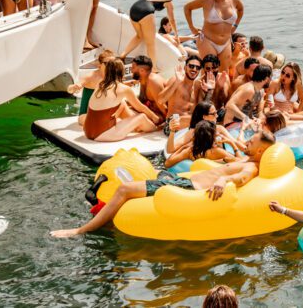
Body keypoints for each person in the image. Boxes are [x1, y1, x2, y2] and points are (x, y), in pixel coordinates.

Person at [50, 130, 276, 238]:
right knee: (157, 173)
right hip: (182, 181)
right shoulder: (246, 158)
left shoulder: (252, 166)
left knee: (124, 189)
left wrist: (224, 179)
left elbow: (243, 178)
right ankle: (106, 215)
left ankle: (80, 230)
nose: (246, 141)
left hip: (186, 190)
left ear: (260, 150)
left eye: (251, 141)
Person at [82, 58, 160, 141]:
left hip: (87, 132)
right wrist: (154, 117)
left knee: (122, 103)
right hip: (103, 134)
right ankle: (156, 129)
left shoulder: (100, 84)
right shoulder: (124, 89)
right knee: (142, 117)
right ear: (121, 72)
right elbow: (140, 107)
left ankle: (137, 127)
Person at [184, 0, 244, 74]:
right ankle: (201, 88)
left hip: (226, 42)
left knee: (223, 73)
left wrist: (235, 26)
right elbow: (187, 7)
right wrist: (192, 27)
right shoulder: (206, 0)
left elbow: (241, 10)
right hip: (208, 41)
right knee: (209, 71)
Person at [120, 0, 179, 71]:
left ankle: (122, 55)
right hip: (146, 12)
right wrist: (176, 35)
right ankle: (153, 69)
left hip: (134, 9)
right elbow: (172, 20)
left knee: (139, 36)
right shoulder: (168, 0)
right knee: (151, 43)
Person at [67, 49, 115, 126]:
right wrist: (73, 87)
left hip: (103, 113)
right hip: (86, 115)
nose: (110, 66)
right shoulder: (91, 77)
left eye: (113, 64)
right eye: (107, 63)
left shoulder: (113, 77)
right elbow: (70, 89)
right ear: (99, 64)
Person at [164, 120, 239, 169]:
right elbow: (241, 162)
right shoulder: (218, 151)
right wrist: (233, 144)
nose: (218, 133)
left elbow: (167, 163)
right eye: (216, 132)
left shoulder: (190, 151)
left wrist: (183, 147)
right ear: (211, 136)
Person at [158, 56, 204, 130]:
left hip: (190, 127)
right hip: (172, 125)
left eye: (198, 68)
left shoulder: (198, 86)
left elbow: (202, 110)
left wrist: (209, 90)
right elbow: (160, 100)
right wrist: (177, 82)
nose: (194, 69)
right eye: (191, 66)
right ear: (185, 67)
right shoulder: (175, 80)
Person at [130, 54, 167, 120]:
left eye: (133, 67)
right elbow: (142, 100)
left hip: (159, 117)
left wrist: (167, 125)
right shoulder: (143, 79)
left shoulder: (153, 82)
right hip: (151, 112)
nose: (131, 70)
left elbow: (164, 108)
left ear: (142, 71)